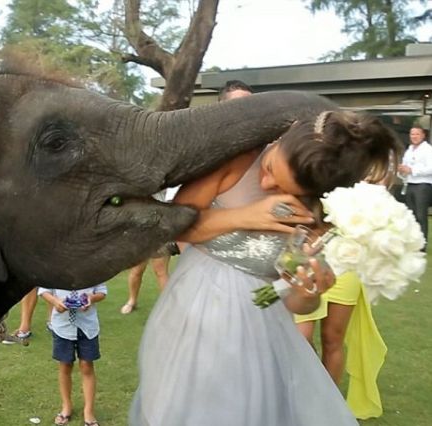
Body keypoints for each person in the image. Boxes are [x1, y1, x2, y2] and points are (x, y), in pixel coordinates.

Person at [129, 110, 398, 425]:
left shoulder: (315, 210)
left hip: (259, 328)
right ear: (280, 139)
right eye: (270, 167)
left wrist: (308, 291)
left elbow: (293, 299)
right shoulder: (236, 158)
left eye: (281, 187)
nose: (266, 181)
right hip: (194, 308)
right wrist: (247, 216)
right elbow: (173, 224)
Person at [294, 272, 387, 420]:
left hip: (346, 267)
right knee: (301, 339)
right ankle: (300, 399)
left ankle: (328, 405)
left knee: (332, 338)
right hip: (308, 262)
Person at [39, 284, 107, 426]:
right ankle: (66, 406)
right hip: (62, 326)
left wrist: (91, 298)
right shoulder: (56, 267)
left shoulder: (92, 268)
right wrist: (55, 302)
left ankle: (88, 411)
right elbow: (44, 290)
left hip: (88, 325)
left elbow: (102, 292)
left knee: (87, 365)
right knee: (65, 365)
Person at [120, 190, 171, 315]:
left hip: (160, 229)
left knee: (160, 271)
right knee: (137, 270)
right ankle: (132, 301)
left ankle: (169, 306)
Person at [397, 125, 432, 249]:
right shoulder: (409, 149)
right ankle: (413, 242)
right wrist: (401, 170)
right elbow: (405, 167)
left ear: (423, 135)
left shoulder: (428, 150)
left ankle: (423, 244)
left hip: (423, 185)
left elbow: (430, 168)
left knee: (421, 215)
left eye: (417, 134)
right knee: (411, 215)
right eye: (412, 134)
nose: (414, 137)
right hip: (410, 184)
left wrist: (412, 170)